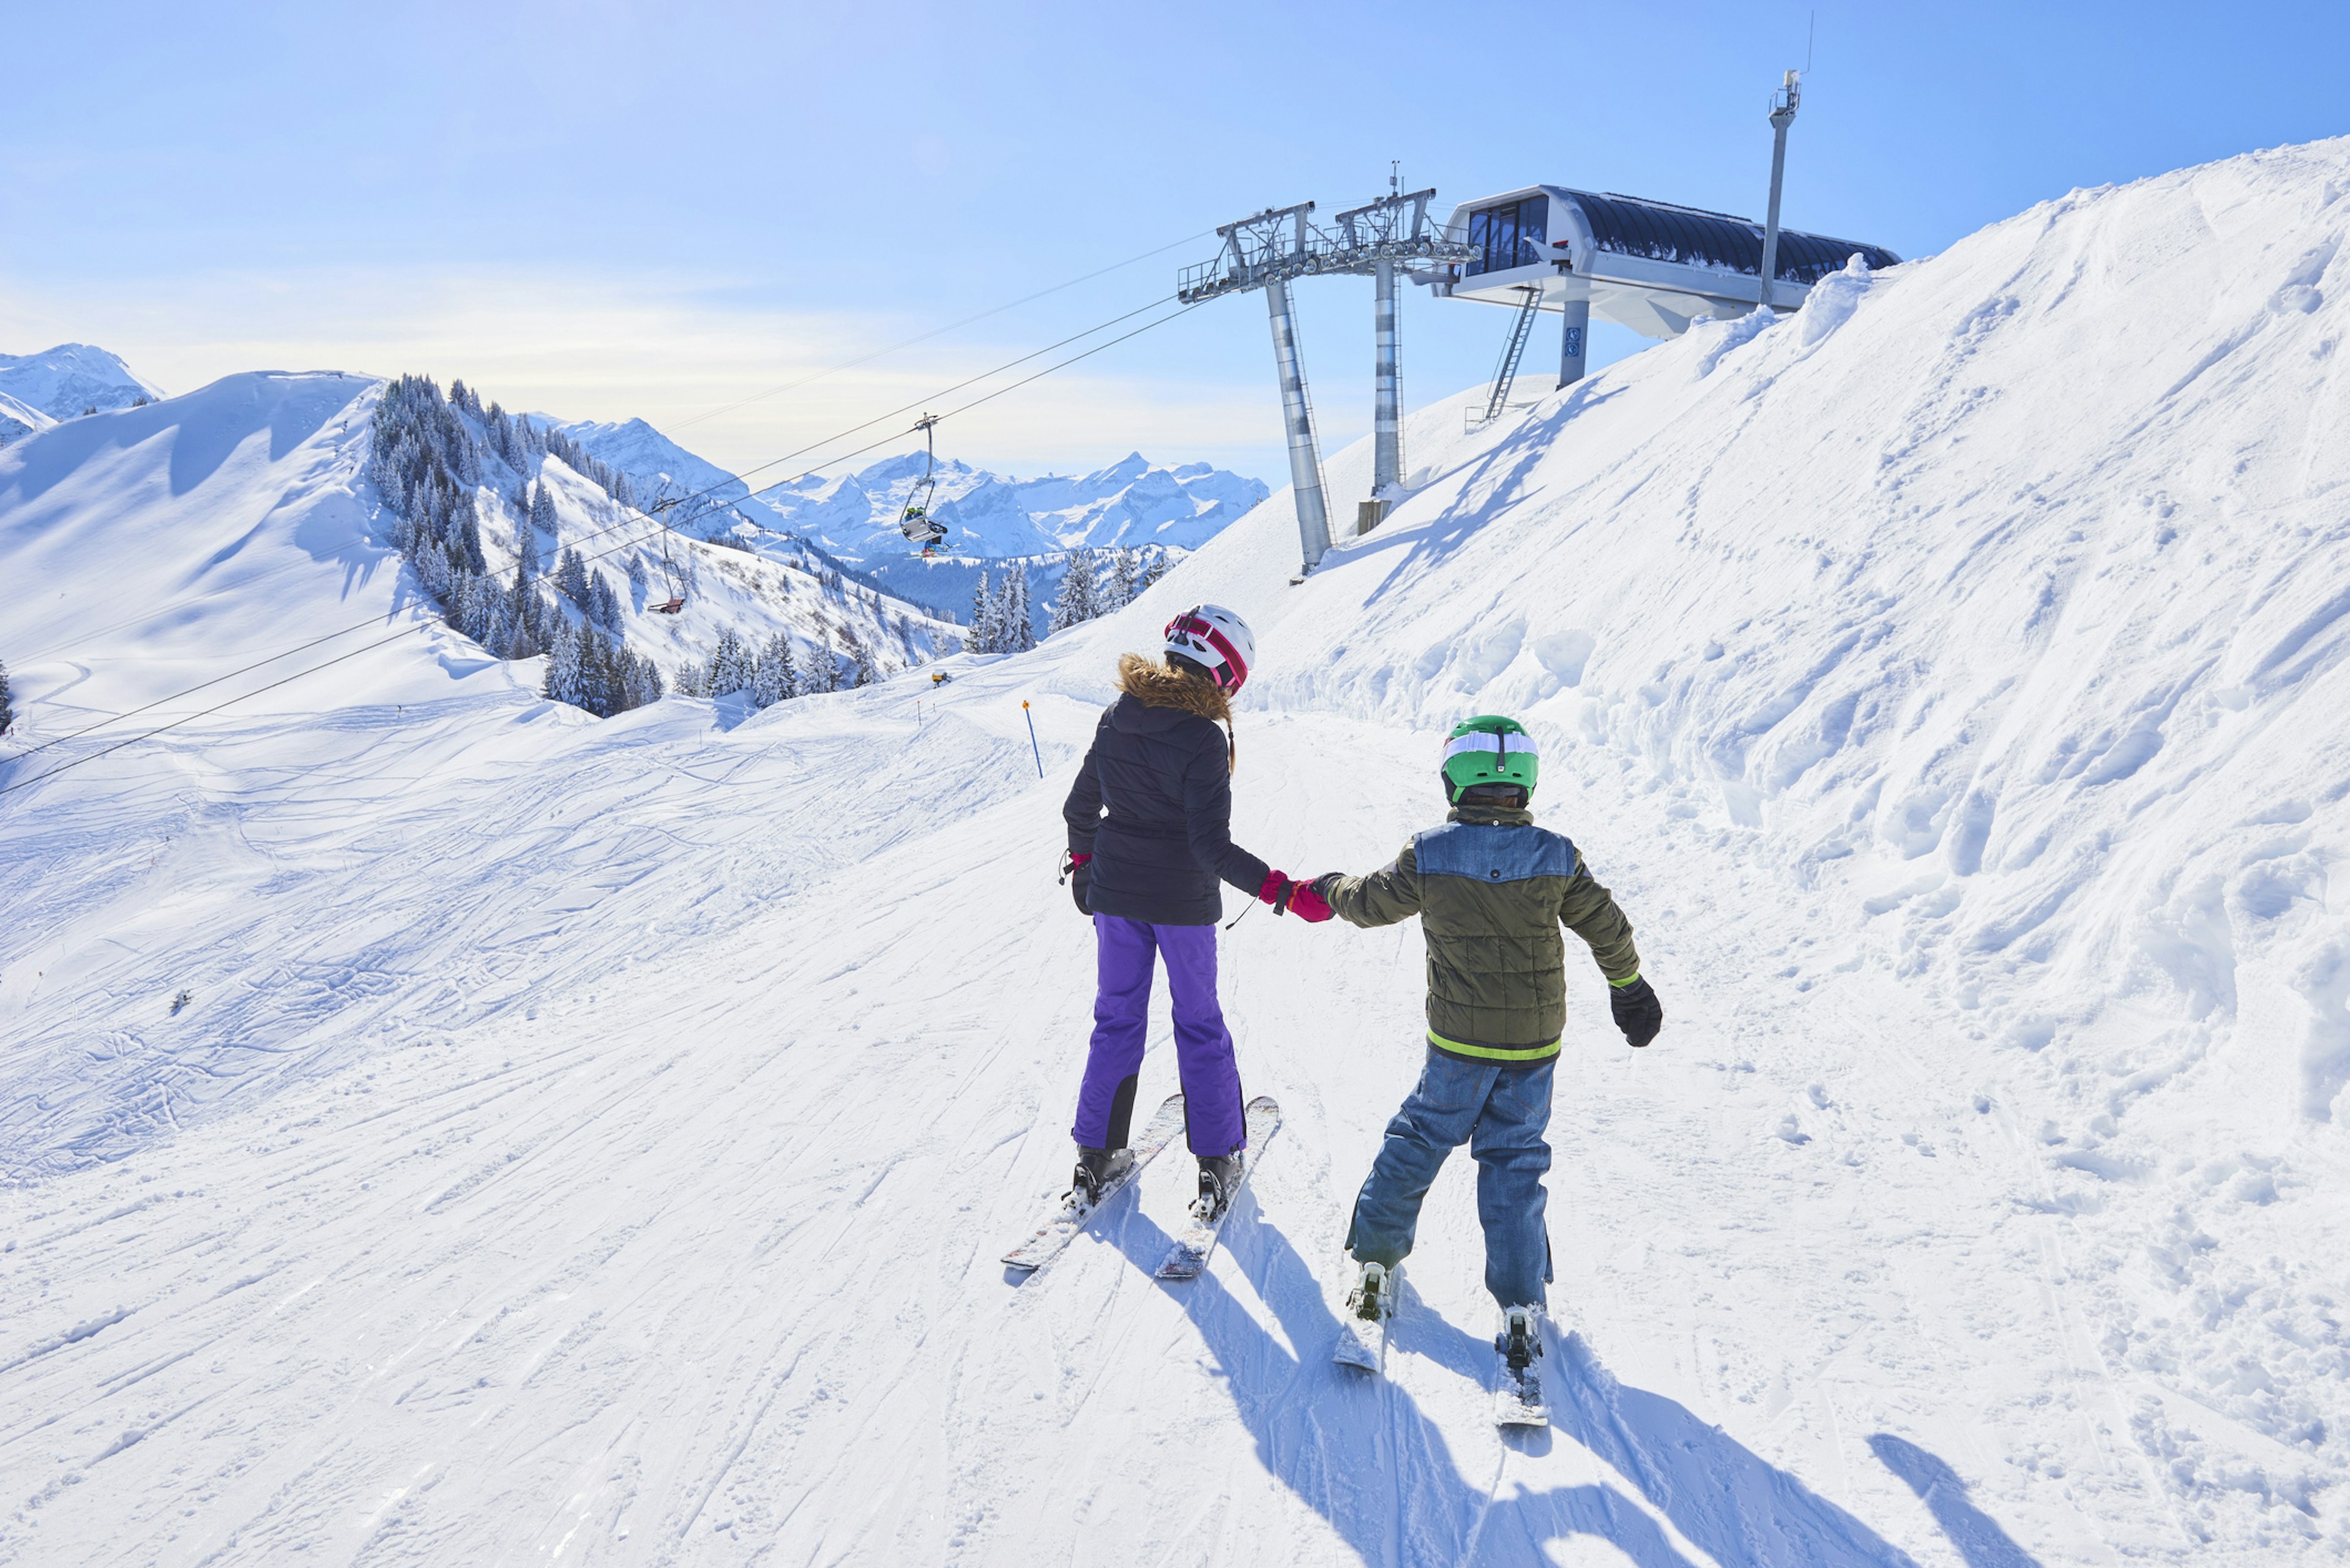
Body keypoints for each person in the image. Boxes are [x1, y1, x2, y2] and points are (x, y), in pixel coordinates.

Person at [1309, 715, 1663, 1376]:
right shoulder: (1558, 855)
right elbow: (1607, 926)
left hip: (1459, 1044)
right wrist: (1629, 986)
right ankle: (1521, 1306)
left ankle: (1377, 1263)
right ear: (1526, 782)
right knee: (1516, 1162)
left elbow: (1369, 903)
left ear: (1453, 778)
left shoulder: (1431, 853)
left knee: (1419, 1139)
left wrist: (1330, 889)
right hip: (1534, 1047)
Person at [1060, 605, 1331, 1219]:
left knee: (1116, 1021)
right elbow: (1210, 846)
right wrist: (1283, 891)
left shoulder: (1116, 718)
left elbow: (1080, 809)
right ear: (1222, 673)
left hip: (1117, 899)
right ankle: (1216, 1164)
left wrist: (1083, 866)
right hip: (1181, 905)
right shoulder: (1204, 738)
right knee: (1199, 1025)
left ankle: (1096, 1158)